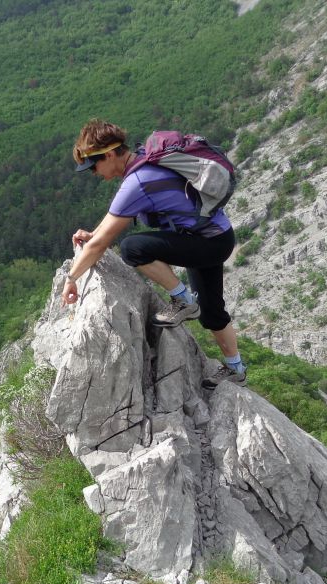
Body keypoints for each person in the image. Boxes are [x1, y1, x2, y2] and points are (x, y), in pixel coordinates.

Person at [62, 119, 246, 388]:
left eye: (94, 165)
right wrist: (94, 233)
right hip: (216, 235)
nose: (94, 173)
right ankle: (236, 370)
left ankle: (182, 301)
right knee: (211, 312)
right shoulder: (144, 162)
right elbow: (115, 214)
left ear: (111, 154)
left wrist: (72, 278)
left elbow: (102, 243)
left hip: (206, 241)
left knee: (132, 249)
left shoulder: (138, 181)